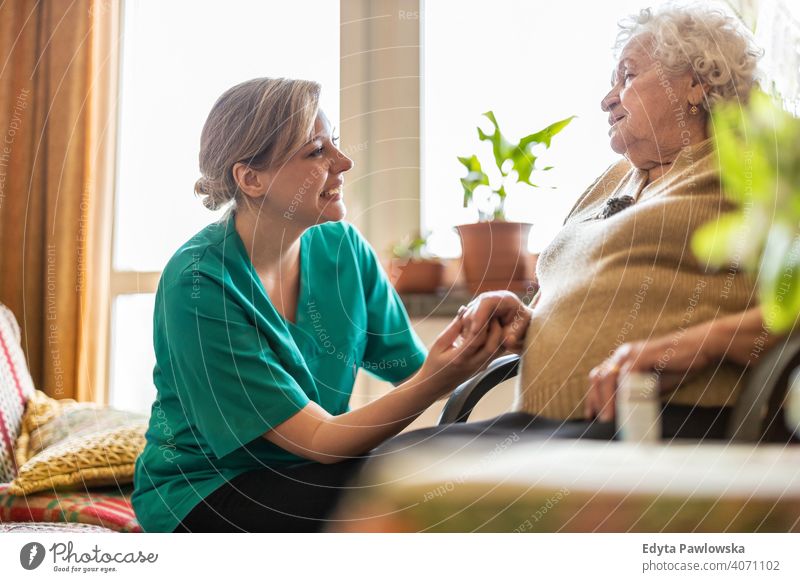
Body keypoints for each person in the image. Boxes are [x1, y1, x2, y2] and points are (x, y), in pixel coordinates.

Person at [372, 3, 770, 457]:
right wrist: (524, 319)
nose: (607, 98)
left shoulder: (752, 168)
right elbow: (575, 297)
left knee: (396, 480)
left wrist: (696, 345)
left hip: (663, 421)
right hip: (547, 425)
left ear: (696, 84)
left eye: (628, 76)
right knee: (382, 466)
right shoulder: (610, 180)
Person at [131, 78, 504, 533]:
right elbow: (320, 439)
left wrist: (489, 326)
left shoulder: (342, 247)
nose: (343, 163)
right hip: (208, 492)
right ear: (251, 178)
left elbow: (413, 367)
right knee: (408, 484)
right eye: (316, 152)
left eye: (336, 145)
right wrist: (436, 378)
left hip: (310, 472)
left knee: (470, 454)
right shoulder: (198, 281)